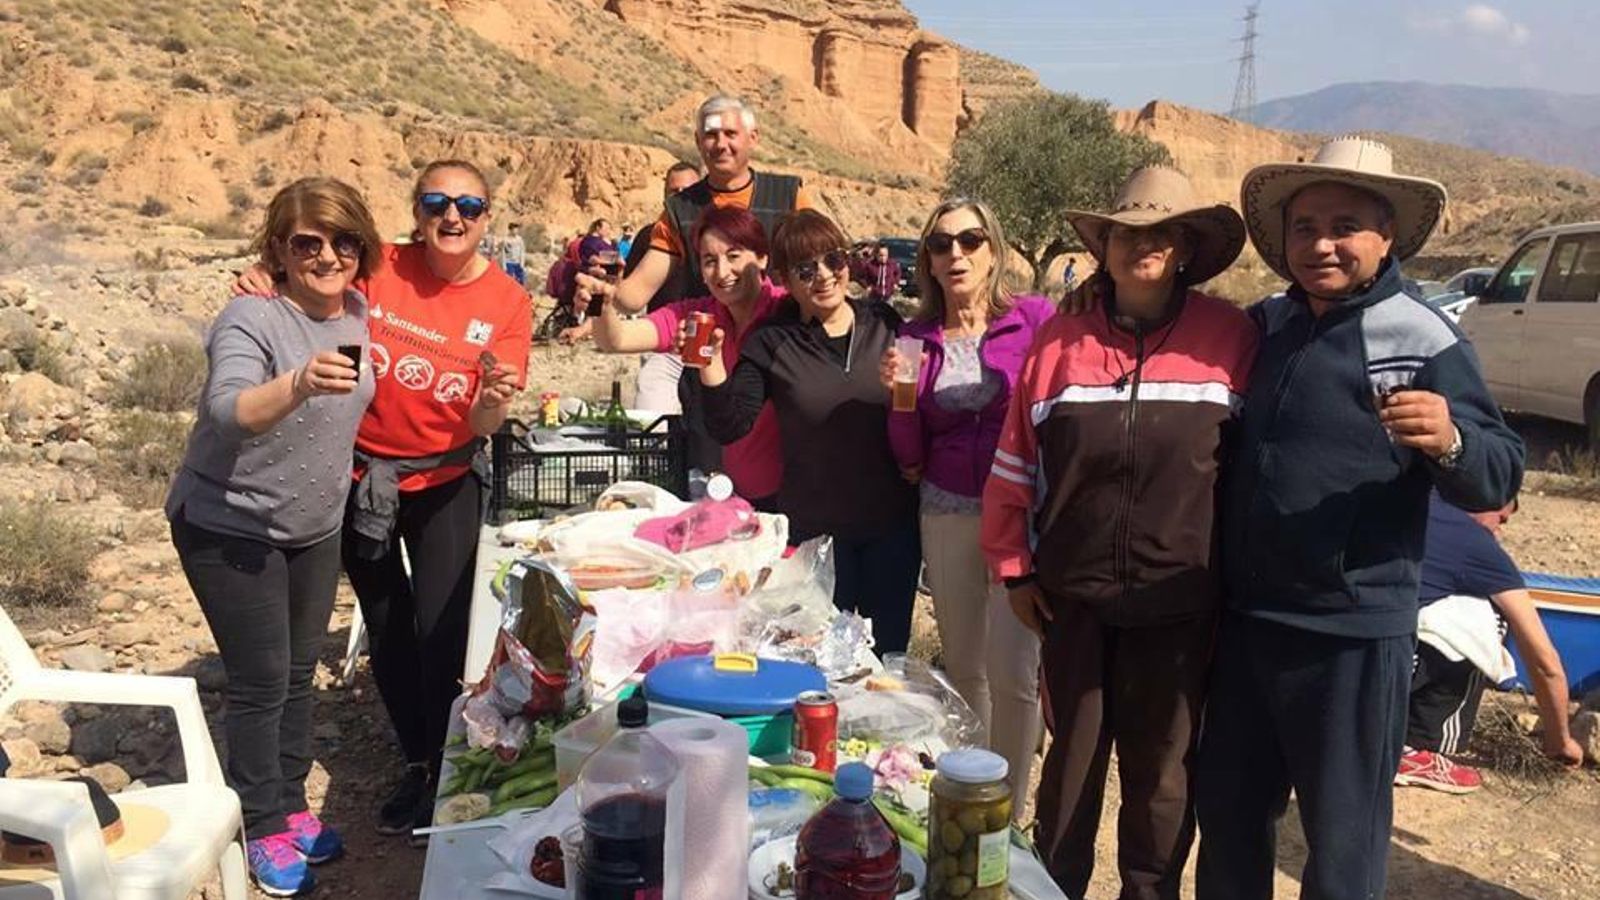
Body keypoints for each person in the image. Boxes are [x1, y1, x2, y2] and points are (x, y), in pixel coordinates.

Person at [1194, 136, 1525, 900]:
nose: (1321, 244)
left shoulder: (1423, 337)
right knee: (1232, 826)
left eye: (1344, 225)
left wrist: (1452, 440)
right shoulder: (1266, 324)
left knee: (1342, 851)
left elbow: (1499, 473)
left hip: (1350, 635)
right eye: (1304, 226)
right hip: (1248, 629)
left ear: (1386, 237)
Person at [235, 160, 532, 842]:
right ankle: (422, 761)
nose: (452, 217)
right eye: (437, 202)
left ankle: (452, 765)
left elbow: (487, 425)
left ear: (487, 218)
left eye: (469, 206)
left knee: (443, 629)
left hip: (445, 476)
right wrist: (264, 276)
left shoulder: (507, 302)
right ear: (417, 209)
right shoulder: (381, 264)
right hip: (358, 474)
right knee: (388, 622)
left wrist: (490, 404)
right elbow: (310, 278)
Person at [981, 167, 1257, 897]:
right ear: (1103, 245)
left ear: (1186, 246)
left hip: (1183, 603)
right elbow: (1014, 463)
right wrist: (1013, 566)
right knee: (1068, 770)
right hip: (1072, 600)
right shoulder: (1058, 341)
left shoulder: (1231, 337)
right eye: (1127, 231)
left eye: (1161, 231)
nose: (1144, 244)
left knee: (1163, 778)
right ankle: (1053, 890)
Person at [170, 177, 381, 895]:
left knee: (295, 674)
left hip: (312, 524)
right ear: (279, 251)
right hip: (232, 523)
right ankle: (259, 825)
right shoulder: (249, 317)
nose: (328, 256)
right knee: (260, 682)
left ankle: (290, 805)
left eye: (342, 241)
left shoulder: (358, 307)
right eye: (307, 244)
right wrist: (295, 383)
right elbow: (229, 410)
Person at [879, 199, 1054, 809]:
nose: (955, 254)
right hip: (946, 509)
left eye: (970, 240)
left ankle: (1012, 806)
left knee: (1016, 670)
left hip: (1020, 513)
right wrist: (899, 400)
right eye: (940, 244)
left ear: (993, 250)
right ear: (927, 259)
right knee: (965, 667)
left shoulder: (1034, 319)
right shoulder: (911, 338)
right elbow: (906, 447)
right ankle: (978, 794)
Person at [700, 209, 920, 653]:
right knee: (817, 662)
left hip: (891, 530)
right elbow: (730, 424)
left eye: (833, 261)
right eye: (805, 269)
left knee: (887, 660)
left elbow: (912, 408)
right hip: (815, 539)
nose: (823, 276)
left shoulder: (886, 324)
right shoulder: (772, 341)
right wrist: (709, 364)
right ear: (784, 278)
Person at [593, 205, 785, 506]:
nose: (722, 272)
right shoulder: (698, 316)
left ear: (762, 257)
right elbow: (615, 339)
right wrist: (598, 300)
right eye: (710, 261)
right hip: (734, 494)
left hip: (793, 495)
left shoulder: (787, 311)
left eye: (734, 256)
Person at [1397, 494, 1583, 792]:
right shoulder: (1474, 544)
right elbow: (1544, 661)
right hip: (1385, 668)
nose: (1500, 532)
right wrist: (1559, 740)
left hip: (1327, 655)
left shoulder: (1411, 497)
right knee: (1487, 615)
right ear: (1481, 500)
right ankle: (1415, 748)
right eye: (1501, 519)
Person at [611, 95, 812, 315]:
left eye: (730, 134)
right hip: (709, 340)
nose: (720, 144)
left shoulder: (789, 197)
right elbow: (634, 296)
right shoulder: (678, 211)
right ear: (698, 141)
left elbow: (820, 268)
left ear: (753, 138)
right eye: (711, 135)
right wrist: (607, 286)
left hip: (778, 337)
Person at [629, 161, 707, 414]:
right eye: (675, 191)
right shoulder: (649, 237)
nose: (682, 196)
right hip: (663, 343)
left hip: (706, 343)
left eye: (689, 189)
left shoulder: (715, 238)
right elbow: (629, 293)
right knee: (652, 422)